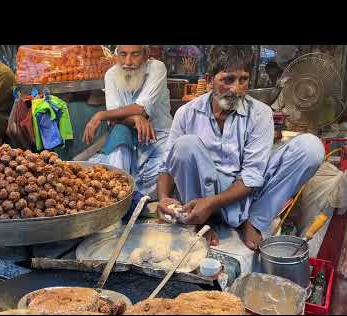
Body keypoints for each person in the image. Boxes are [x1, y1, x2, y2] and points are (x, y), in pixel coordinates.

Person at [156, 45, 325, 250]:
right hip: (198, 193)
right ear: (210, 80)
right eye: (228, 79)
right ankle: (201, 221)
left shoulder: (260, 113)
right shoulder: (186, 112)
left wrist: (211, 202)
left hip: (243, 193)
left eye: (243, 80)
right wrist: (164, 198)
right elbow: (166, 166)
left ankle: (253, 221)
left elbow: (251, 176)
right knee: (185, 145)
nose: (236, 88)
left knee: (311, 148)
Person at [83, 45, 172, 199]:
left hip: (157, 142)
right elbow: (117, 117)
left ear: (145, 54)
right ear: (116, 55)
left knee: (166, 174)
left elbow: (141, 108)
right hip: (128, 145)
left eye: (135, 54)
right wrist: (136, 118)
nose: (128, 61)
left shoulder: (157, 68)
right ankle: (119, 196)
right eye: (123, 54)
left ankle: (128, 195)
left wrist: (101, 114)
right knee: (119, 132)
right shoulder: (111, 75)